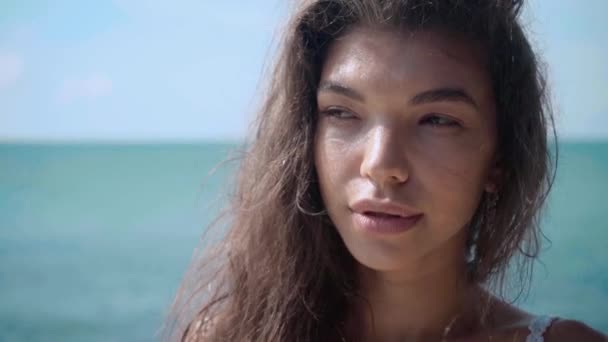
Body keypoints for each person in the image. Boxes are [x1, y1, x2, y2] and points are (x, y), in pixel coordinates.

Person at [164, 0, 607, 341]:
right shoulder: (231, 336)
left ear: (499, 159)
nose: (381, 165)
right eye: (342, 112)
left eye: (437, 120)